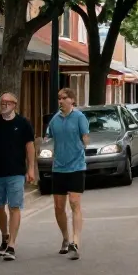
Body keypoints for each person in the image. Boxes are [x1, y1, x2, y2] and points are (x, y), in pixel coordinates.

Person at [0, 92, 36, 261]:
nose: (4, 105)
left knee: (14, 206)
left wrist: (30, 169)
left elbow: (30, 147)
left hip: (16, 172)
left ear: (15, 105)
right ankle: (5, 236)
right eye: (2, 102)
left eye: (8, 102)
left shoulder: (23, 123)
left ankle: (12, 245)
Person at [47, 87, 89, 260]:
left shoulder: (79, 117)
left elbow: (85, 137)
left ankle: (75, 242)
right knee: (58, 207)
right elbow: (48, 138)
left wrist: (83, 144)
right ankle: (65, 237)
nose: (60, 101)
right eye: (58, 98)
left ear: (71, 100)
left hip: (76, 166)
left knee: (74, 202)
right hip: (58, 167)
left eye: (63, 98)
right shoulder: (54, 120)